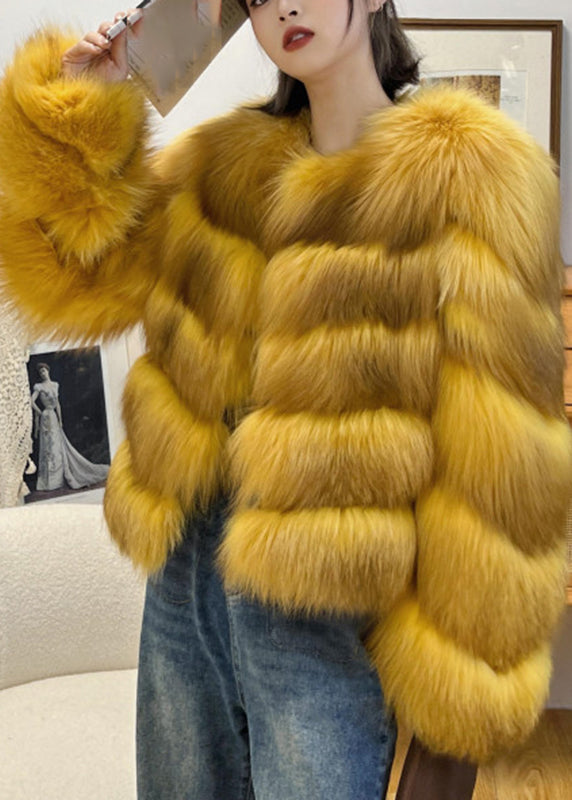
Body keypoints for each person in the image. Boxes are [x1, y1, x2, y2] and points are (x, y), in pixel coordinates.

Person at [0, 1, 570, 798]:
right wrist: (77, 113)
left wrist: (460, 686)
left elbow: (500, 454)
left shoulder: (470, 173)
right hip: (187, 585)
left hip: (324, 603)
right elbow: (72, 283)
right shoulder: (217, 170)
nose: (287, 7)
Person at [30, 362, 109, 492]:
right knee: (49, 447)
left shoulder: (55, 385)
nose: (43, 373)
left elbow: (58, 404)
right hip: (46, 418)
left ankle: (59, 478)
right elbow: (31, 401)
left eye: (44, 370)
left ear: (48, 371)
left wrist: (60, 420)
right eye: (40, 372)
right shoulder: (39, 387)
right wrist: (40, 412)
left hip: (54, 417)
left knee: (57, 445)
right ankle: (50, 481)